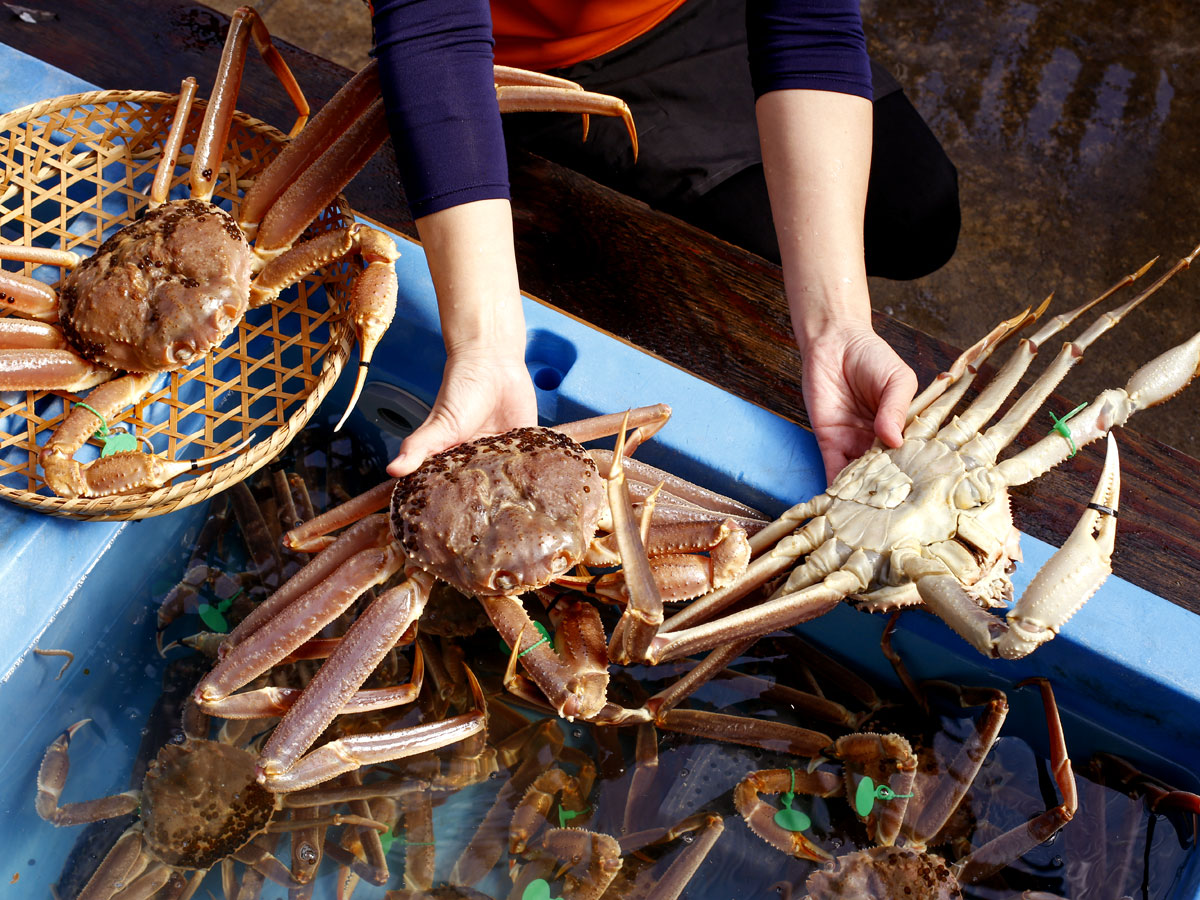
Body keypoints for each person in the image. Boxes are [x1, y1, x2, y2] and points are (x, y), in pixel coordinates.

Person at [369, 0, 959, 484]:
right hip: (509, 52)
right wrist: (486, 346)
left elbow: (810, 21)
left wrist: (839, 326)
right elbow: (434, 30)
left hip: (691, 12)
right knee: (732, 234)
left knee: (915, 209)